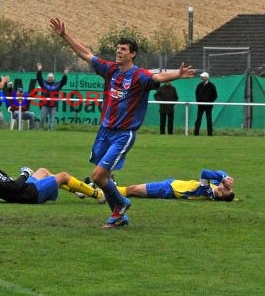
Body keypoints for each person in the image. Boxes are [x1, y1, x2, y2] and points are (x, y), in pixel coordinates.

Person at [49, 17, 195, 228]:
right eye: (118, 48)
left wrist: (178, 75)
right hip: (104, 132)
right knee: (101, 178)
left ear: (132, 54)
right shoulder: (110, 70)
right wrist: (64, 35)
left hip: (123, 134)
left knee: (98, 175)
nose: (119, 51)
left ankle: (121, 205)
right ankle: (119, 212)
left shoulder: (139, 76)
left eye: (123, 49)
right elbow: (85, 54)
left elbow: (158, 77)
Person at [0, 143, 105, 204]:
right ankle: (98, 195)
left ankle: (78, 191)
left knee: (43, 171)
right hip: (30, 194)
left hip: (23, 191)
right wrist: (25, 174)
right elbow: (14, 187)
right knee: (63, 176)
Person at [118, 169, 234, 202]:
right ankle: (111, 189)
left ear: (219, 192)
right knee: (133, 191)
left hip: (167, 189)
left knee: (132, 189)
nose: (225, 185)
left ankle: (105, 193)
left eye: (225, 188)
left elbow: (204, 173)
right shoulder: (214, 189)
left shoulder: (207, 190)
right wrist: (225, 177)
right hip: (171, 185)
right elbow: (220, 171)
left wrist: (223, 179)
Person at [35, 62, 68, 131]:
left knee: (52, 119)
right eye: (49, 77)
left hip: (53, 105)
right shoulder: (43, 84)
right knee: (42, 117)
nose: (50, 78)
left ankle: (51, 130)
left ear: (53, 78)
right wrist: (39, 70)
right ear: (47, 78)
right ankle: (41, 129)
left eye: (51, 77)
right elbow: (39, 78)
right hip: (44, 104)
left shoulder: (57, 85)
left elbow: (63, 82)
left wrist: (65, 74)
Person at [194, 72, 218, 136]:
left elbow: (215, 95)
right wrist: (198, 102)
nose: (201, 78)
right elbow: (196, 93)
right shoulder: (199, 85)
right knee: (198, 119)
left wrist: (209, 102)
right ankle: (196, 133)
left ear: (207, 78)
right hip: (200, 106)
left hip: (208, 106)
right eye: (201, 77)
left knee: (209, 120)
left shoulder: (212, 85)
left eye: (203, 77)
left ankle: (210, 134)